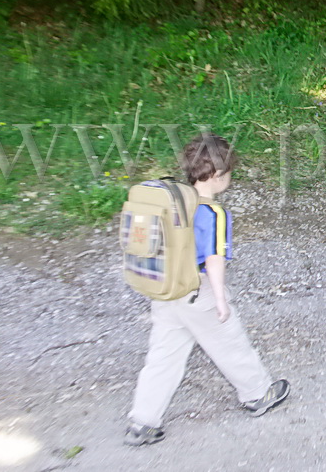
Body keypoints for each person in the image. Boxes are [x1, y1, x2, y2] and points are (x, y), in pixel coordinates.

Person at [124, 134, 289, 446]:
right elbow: (214, 260)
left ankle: (143, 421)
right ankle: (258, 394)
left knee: (163, 356)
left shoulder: (175, 202)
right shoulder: (214, 213)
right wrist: (222, 300)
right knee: (231, 344)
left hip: (167, 292)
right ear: (218, 175)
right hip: (198, 291)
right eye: (228, 173)